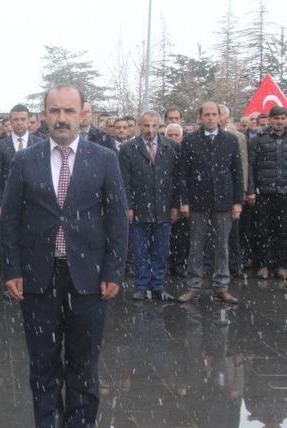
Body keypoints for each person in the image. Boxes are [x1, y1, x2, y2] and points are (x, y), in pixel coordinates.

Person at [0, 84, 128, 428]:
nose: (61, 118)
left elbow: (118, 218)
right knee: (42, 363)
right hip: (39, 278)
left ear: (82, 113)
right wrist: (12, 270)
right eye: (54, 110)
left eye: (68, 111)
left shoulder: (104, 159)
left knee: (84, 363)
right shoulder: (26, 161)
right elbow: (10, 220)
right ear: (44, 114)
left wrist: (113, 270)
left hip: (87, 279)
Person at [176, 102, 244, 304]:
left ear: (220, 117)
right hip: (197, 203)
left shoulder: (230, 140)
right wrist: (184, 201)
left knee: (222, 246)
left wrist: (237, 201)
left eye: (215, 114)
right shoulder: (190, 141)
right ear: (200, 117)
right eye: (207, 114)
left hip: (223, 201)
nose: (211, 118)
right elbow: (183, 174)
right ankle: (193, 286)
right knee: (196, 246)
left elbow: (237, 172)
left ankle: (221, 287)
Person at [119, 111, 181, 301]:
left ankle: (158, 286)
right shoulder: (129, 149)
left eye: (154, 125)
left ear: (160, 126)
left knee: (161, 250)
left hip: (163, 208)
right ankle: (141, 286)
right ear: (139, 126)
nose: (150, 129)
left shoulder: (172, 147)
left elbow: (176, 179)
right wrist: (128, 206)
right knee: (140, 250)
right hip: (139, 208)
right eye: (146, 125)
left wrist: (175, 205)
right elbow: (124, 182)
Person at [247, 106, 287, 280]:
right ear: (270, 120)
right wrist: (250, 190)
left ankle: (280, 265)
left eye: (283, 118)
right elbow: (251, 166)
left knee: (283, 231)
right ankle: (263, 264)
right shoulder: (259, 140)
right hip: (263, 192)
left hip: (284, 192)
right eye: (276, 118)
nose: (280, 122)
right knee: (262, 230)